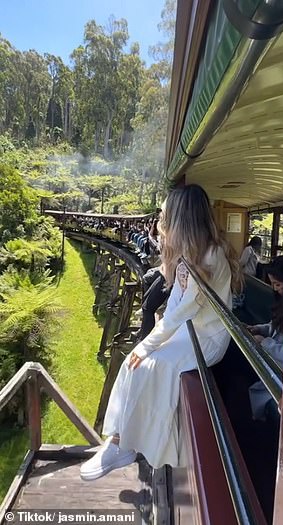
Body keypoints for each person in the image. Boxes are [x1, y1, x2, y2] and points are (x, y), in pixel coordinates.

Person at [80, 184, 241, 480]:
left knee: (150, 365)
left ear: (181, 218)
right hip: (189, 331)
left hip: (208, 338)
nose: (160, 221)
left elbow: (183, 311)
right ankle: (119, 440)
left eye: (165, 215)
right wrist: (146, 345)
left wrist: (148, 346)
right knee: (133, 364)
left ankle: (128, 444)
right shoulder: (189, 255)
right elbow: (176, 310)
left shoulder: (211, 255)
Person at [248, 255, 283, 420]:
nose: (275, 290)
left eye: (278, 284)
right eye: (272, 284)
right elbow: (277, 326)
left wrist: (265, 343)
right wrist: (259, 328)